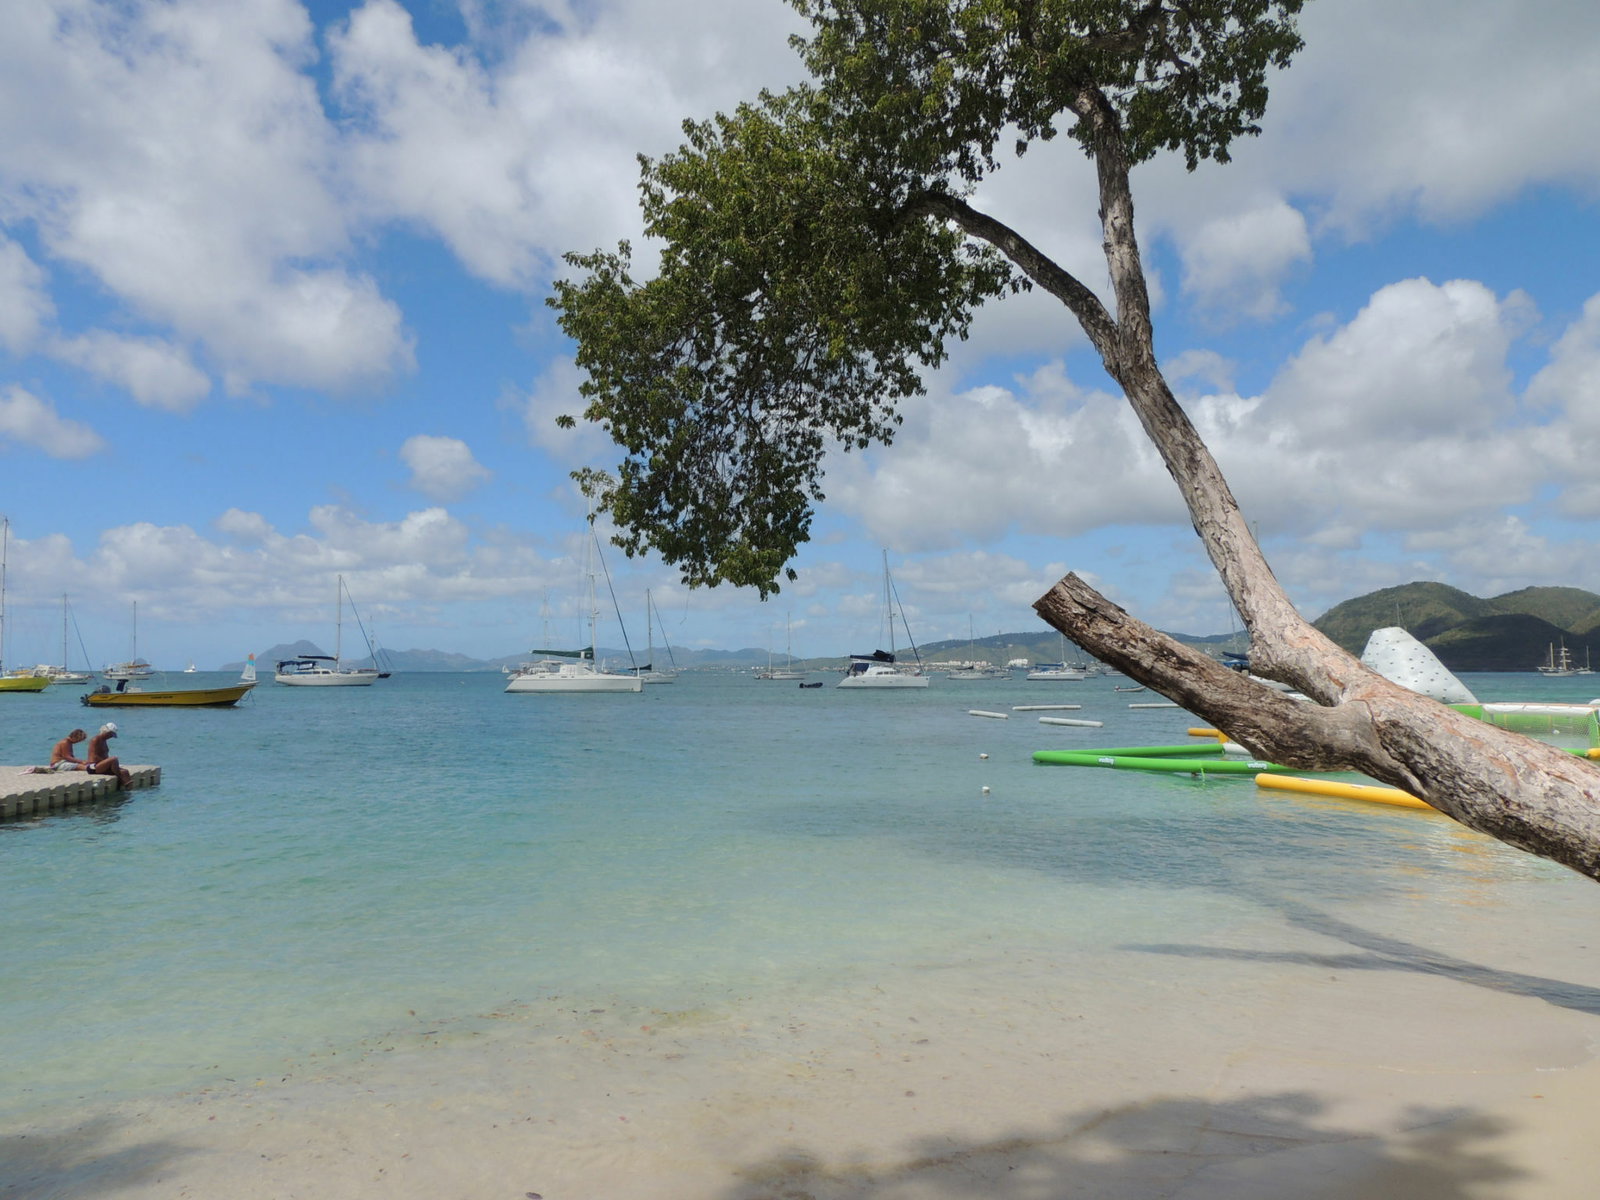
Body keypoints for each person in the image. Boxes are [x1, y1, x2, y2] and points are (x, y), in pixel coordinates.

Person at [86, 722, 132, 787]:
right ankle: (120, 779)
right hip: (93, 767)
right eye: (110, 734)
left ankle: (128, 792)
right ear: (106, 732)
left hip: (100, 765)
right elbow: (95, 757)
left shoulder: (104, 741)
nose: (111, 737)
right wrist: (108, 762)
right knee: (114, 759)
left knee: (125, 772)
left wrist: (108, 763)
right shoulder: (96, 739)